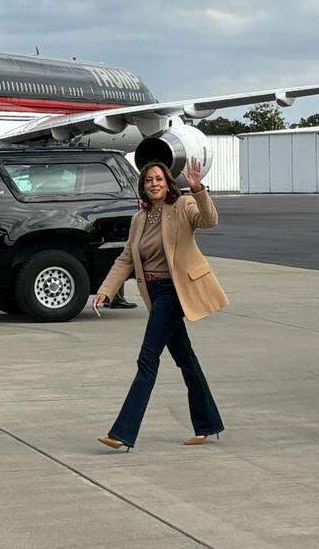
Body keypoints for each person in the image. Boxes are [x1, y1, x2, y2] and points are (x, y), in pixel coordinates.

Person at [93, 158, 227, 450]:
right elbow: (126, 258)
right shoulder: (140, 219)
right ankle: (208, 423)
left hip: (174, 291)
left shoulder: (182, 206)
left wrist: (198, 190)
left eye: (159, 179)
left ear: (168, 183)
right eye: (148, 180)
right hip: (153, 292)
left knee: (147, 358)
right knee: (186, 359)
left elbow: (208, 221)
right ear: (143, 186)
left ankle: (122, 433)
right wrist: (106, 290)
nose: (154, 183)